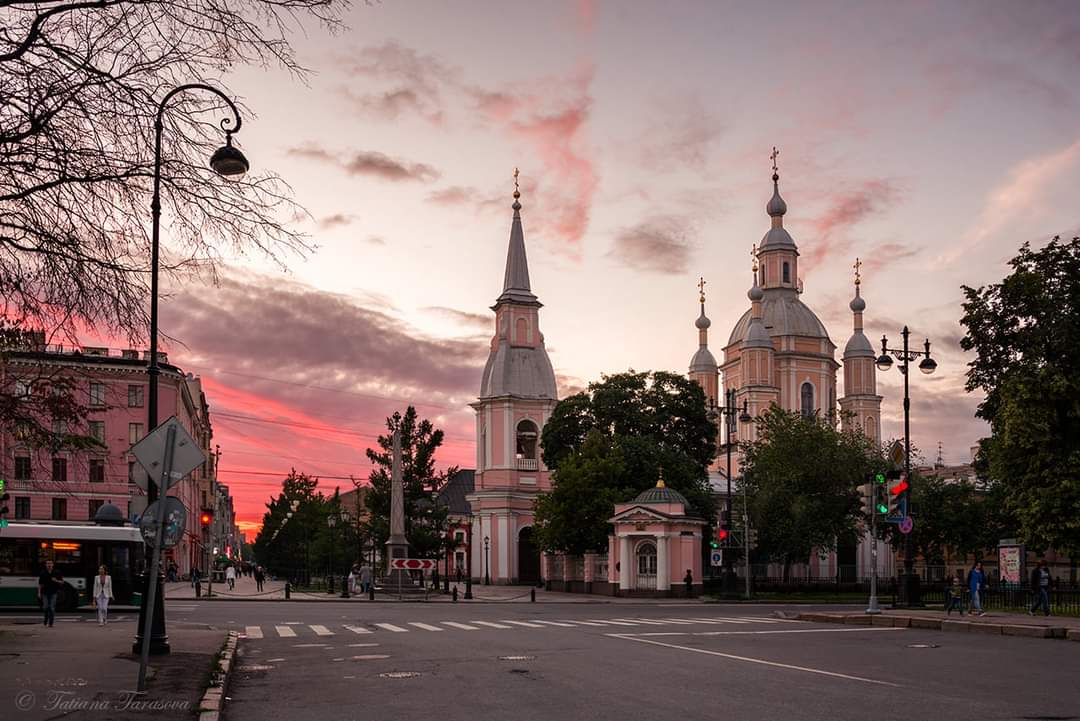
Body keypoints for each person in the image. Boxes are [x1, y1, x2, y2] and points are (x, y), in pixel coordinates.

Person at [37, 560, 64, 627]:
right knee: (45, 607)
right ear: (45, 565)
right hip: (44, 593)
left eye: (50, 563)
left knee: (52, 608)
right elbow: (40, 584)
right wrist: (39, 593)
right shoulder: (43, 573)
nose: (49, 565)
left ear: (53, 565)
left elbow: (62, 582)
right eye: (48, 563)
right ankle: (46, 619)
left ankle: (50, 623)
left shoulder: (57, 572)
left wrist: (56, 580)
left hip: (53, 593)